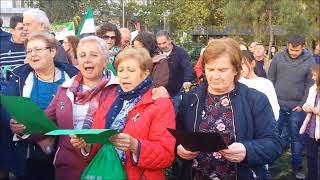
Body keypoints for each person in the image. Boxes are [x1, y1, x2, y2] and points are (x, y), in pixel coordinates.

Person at [176, 38, 283, 179]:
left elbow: (274, 144)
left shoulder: (255, 99)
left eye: (222, 70)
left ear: (236, 70)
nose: (215, 76)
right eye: (210, 69)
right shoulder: (191, 98)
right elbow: (177, 135)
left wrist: (247, 150)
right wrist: (178, 148)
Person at [71, 48, 176, 179]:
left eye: (131, 70)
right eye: (120, 70)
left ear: (145, 73)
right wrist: (86, 145)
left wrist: (136, 146)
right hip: (106, 173)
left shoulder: (160, 104)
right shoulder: (109, 102)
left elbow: (166, 155)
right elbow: (98, 142)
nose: (124, 75)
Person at [37, 36, 117, 180]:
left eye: (94, 55)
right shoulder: (65, 89)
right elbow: (44, 122)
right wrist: (22, 128)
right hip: (68, 169)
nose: (87, 59)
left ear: (105, 61)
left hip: (106, 166)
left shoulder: (119, 89)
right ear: (77, 61)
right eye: (82, 55)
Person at [3, 32, 78, 180]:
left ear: (52, 51)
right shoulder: (18, 76)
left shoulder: (73, 76)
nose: (32, 54)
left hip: (68, 148)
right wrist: (13, 122)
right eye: (29, 51)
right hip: (29, 152)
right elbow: (6, 106)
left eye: (37, 49)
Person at [268, 34, 315, 179]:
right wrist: (272, 100)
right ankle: (267, 164)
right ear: (287, 46)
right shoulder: (278, 57)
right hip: (277, 105)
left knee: (297, 139)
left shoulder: (310, 60)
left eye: (297, 51)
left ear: (303, 46)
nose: (294, 53)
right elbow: (271, 78)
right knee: (272, 136)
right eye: (291, 50)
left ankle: (297, 167)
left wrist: (302, 104)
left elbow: (310, 84)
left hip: (297, 108)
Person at [239, 50, 280, 120]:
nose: (240, 68)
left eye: (242, 64)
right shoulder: (235, 82)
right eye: (236, 65)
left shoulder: (265, 84)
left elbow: (274, 109)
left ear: (252, 64)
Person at [299, 64, 320, 180]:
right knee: (311, 156)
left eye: (315, 75)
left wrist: (317, 111)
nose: (312, 78)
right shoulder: (313, 88)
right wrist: (306, 107)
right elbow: (307, 103)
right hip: (312, 127)